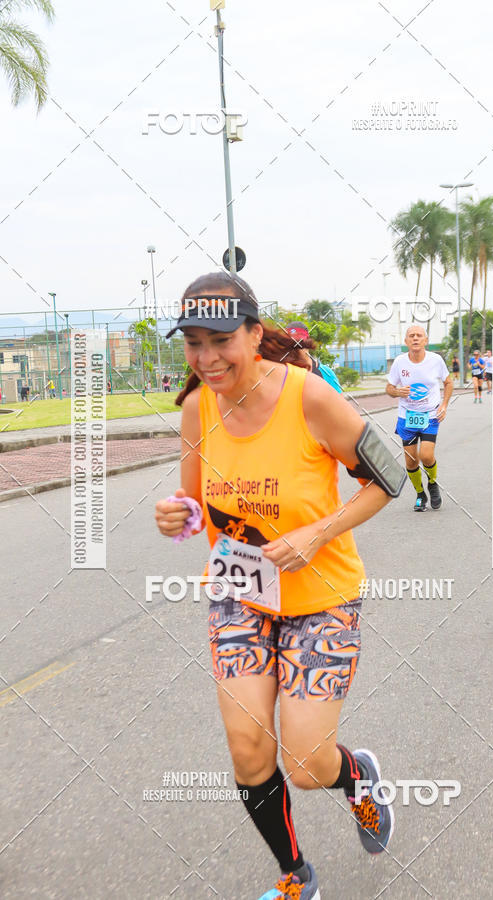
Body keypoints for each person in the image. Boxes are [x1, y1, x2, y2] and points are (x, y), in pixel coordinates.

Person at [154, 271, 404, 900]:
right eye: (192, 344)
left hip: (321, 596)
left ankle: (357, 778)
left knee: (305, 763)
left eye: (220, 341)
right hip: (241, 594)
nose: (207, 359)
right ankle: (296, 876)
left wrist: (319, 532)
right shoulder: (194, 408)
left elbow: (391, 474)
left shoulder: (309, 397)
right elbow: (193, 506)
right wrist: (175, 517)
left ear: (254, 334)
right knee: (247, 751)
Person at [386, 324, 453, 512]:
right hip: (406, 417)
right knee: (411, 461)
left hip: (430, 415)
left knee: (426, 455)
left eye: (419, 336)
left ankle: (432, 483)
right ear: (406, 341)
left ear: (425, 341)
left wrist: (444, 405)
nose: (415, 338)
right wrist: (397, 391)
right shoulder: (399, 362)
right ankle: (420, 494)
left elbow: (448, 383)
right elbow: (389, 388)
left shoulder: (436, 360)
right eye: (411, 336)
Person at [285, 321, 343, 393]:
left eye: (299, 343)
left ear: (308, 342)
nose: (295, 348)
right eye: (290, 344)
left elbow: (338, 402)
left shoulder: (326, 373)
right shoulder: (280, 373)